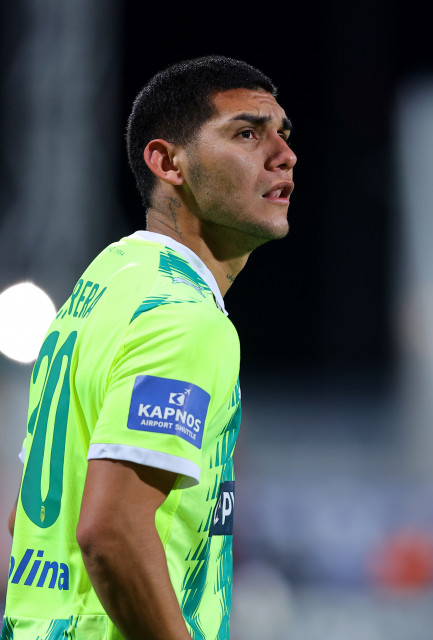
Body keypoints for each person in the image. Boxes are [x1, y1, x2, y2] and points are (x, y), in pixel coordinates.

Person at [1, 55, 296, 640]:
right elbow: (109, 531)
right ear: (167, 162)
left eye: (283, 135)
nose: (283, 155)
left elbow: (28, 516)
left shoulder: (103, 286)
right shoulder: (185, 317)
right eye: (247, 133)